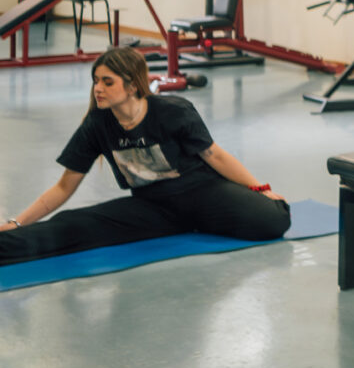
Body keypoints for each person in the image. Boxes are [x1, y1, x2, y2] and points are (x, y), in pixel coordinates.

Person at [0, 47, 290, 265]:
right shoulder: (97, 124)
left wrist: (260, 189)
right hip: (153, 208)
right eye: (95, 81)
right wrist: (17, 222)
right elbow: (64, 187)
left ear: (133, 85)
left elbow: (214, 155)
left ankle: (201, 220)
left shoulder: (173, 111)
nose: (98, 88)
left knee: (273, 220)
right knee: (74, 225)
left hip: (204, 194)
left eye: (107, 82)